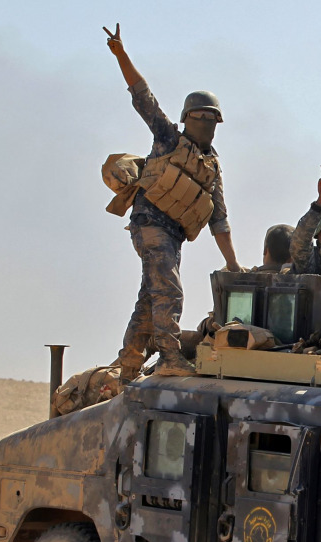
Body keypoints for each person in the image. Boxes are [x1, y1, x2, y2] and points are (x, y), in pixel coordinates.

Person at [104, 25, 241, 380]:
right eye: (201, 116)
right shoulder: (168, 138)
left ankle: (129, 361)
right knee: (169, 291)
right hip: (149, 225)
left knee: (152, 298)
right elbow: (143, 97)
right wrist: (122, 55)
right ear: (186, 119)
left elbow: (219, 219)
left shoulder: (211, 166)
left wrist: (233, 264)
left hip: (173, 236)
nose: (207, 122)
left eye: (213, 117)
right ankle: (169, 357)